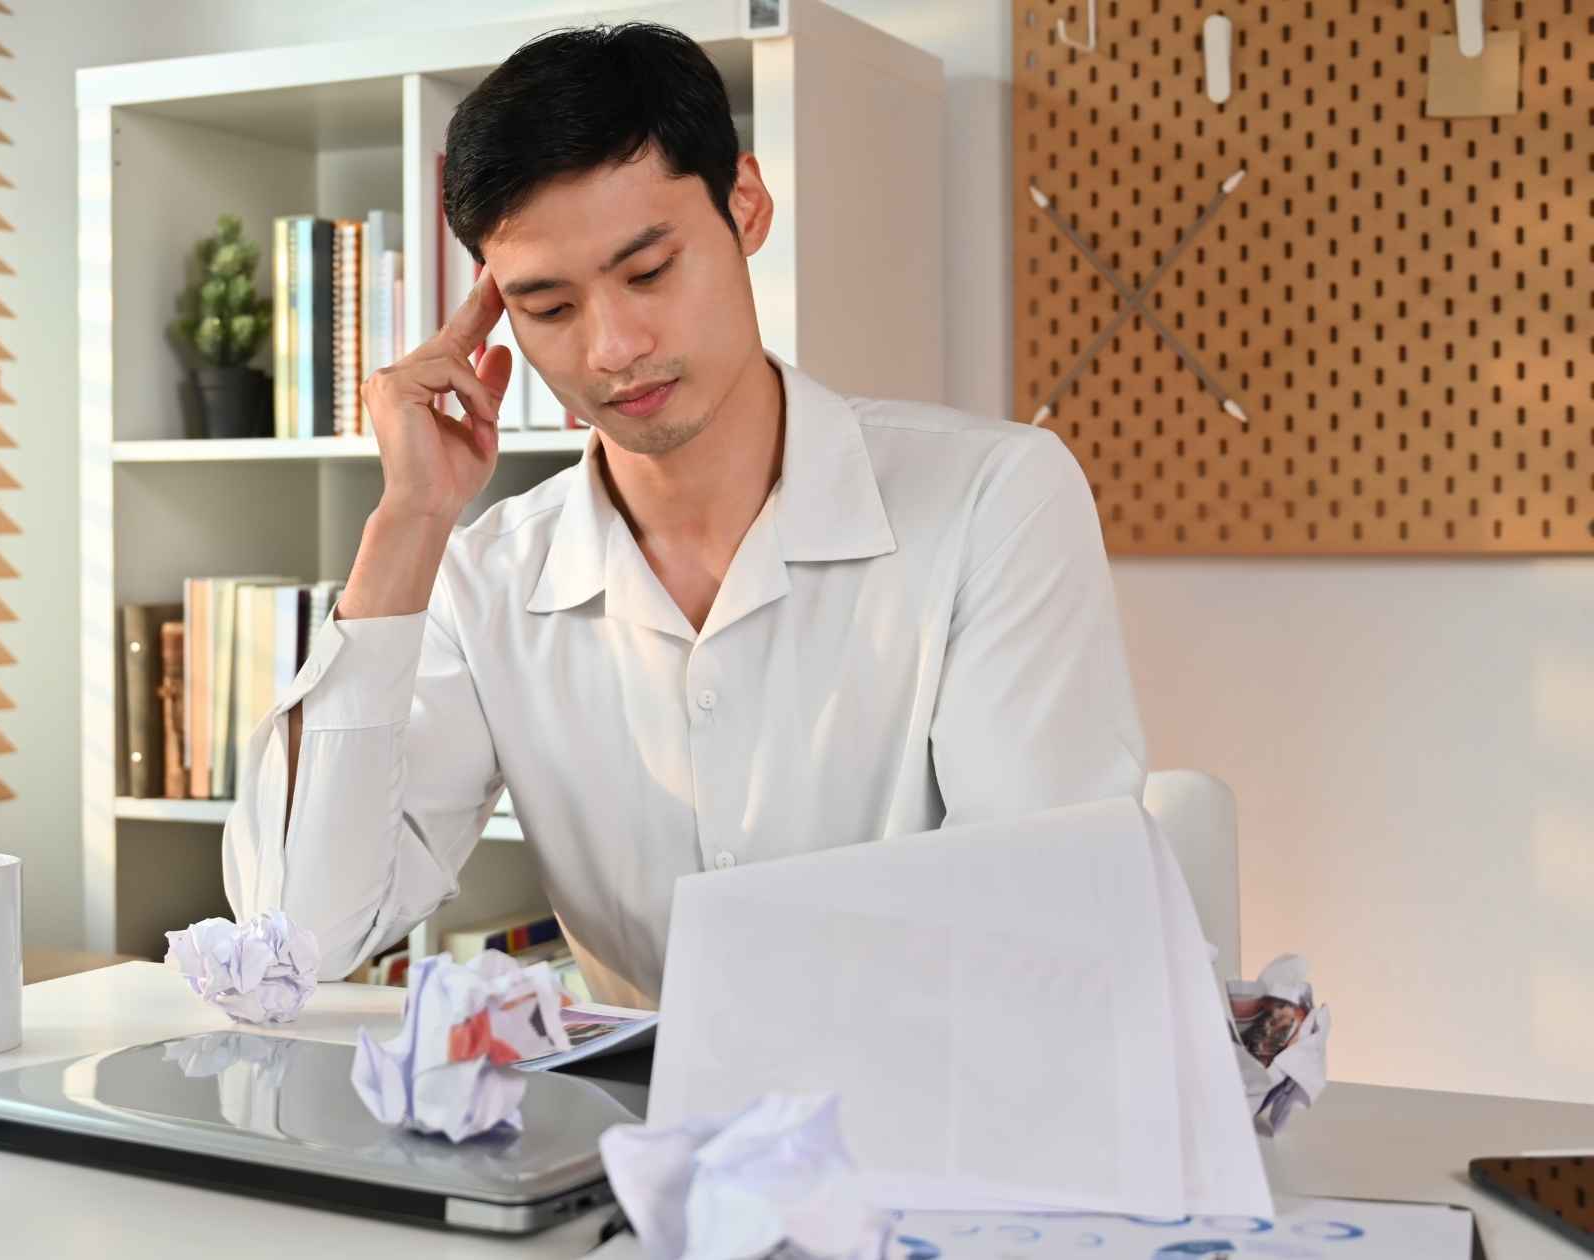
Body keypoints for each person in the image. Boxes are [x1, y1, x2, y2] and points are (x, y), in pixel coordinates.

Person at [222, 22, 1145, 1009]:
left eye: (648, 271)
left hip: (928, 1133)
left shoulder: (991, 503)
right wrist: (406, 523)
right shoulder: (486, 577)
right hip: (631, 1147)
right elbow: (299, 940)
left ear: (744, 205)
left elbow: (1043, 928)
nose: (613, 347)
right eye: (548, 308)